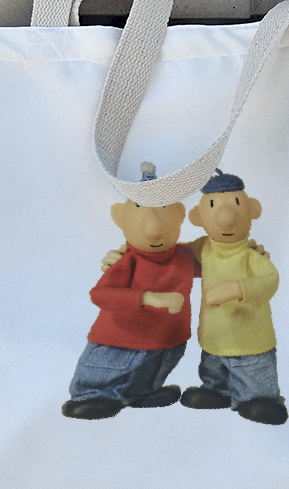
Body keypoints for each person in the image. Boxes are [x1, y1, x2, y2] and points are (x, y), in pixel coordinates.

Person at [61, 163, 197, 420]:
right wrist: (147, 298)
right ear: (120, 216)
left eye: (163, 208)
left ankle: (142, 393)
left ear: (179, 214)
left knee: (153, 368)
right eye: (139, 209)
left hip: (168, 338)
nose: (153, 227)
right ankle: (92, 396)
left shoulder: (184, 255)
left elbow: (218, 261)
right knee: (112, 368)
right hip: (124, 338)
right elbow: (101, 295)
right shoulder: (127, 261)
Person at [180, 169, 287, 426]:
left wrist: (237, 288)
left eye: (236, 204)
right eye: (213, 207)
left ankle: (262, 400)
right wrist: (131, 255)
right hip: (213, 340)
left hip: (249, 343)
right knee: (213, 370)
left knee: (254, 378)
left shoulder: (251, 256)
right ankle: (218, 391)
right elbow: (173, 257)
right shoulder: (203, 247)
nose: (226, 218)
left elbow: (270, 280)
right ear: (198, 217)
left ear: (253, 210)